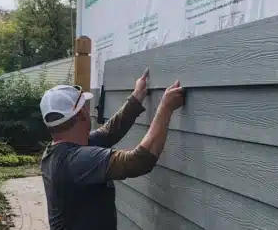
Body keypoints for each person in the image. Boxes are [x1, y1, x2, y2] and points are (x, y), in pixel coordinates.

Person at [38, 69, 184, 230]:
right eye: (85, 107)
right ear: (81, 115)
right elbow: (138, 161)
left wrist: (136, 98)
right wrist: (165, 108)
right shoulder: (76, 160)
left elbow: (108, 133)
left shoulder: (59, 151)